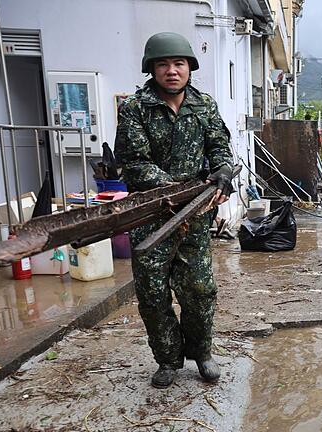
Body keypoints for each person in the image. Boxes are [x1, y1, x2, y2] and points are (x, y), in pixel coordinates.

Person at [116, 32, 234, 388]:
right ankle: (167, 360)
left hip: (195, 218)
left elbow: (220, 147)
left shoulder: (205, 105)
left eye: (179, 63)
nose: (171, 71)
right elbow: (134, 164)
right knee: (152, 294)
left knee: (199, 289)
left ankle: (202, 353)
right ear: (151, 69)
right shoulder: (136, 109)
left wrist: (224, 172)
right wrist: (181, 191)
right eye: (163, 64)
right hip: (151, 217)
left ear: (189, 67)